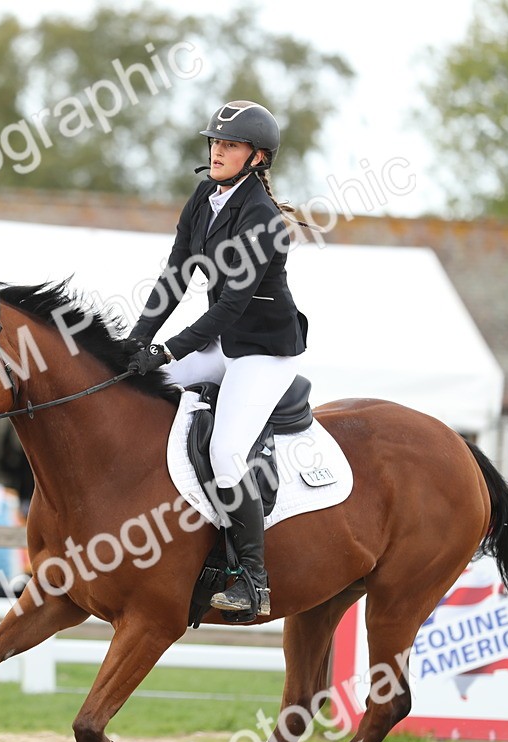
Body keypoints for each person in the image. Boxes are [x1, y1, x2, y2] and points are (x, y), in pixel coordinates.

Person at [125, 100, 312, 617]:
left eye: (229, 145)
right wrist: (135, 345)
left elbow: (231, 306)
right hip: (224, 344)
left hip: (263, 353)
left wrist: (168, 348)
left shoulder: (264, 219)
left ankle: (252, 579)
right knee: (132, 386)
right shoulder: (205, 195)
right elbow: (174, 277)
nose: (217, 151)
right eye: (214, 142)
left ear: (257, 158)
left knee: (229, 451)